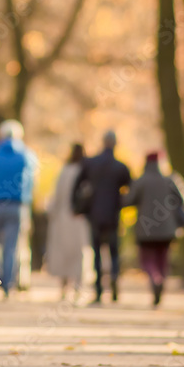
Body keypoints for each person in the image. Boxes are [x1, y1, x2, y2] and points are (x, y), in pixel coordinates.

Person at [0, 120, 38, 298]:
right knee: (12, 246)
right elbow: (32, 182)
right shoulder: (28, 156)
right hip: (18, 206)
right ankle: (8, 285)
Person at [126, 151, 184, 306]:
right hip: (167, 229)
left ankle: (154, 279)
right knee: (163, 258)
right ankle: (161, 280)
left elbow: (128, 200)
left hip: (146, 228)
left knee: (147, 259)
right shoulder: (170, 179)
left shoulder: (141, 181)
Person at [75, 129, 132, 303]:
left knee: (97, 252)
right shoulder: (121, 167)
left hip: (94, 214)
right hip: (113, 215)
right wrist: (122, 202)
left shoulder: (90, 163)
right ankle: (114, 277)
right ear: (115, 144)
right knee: (114, 251)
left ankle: (99, 290)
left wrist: (77, 207)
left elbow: (77, 185)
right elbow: (132, 189)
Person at [45, 143, 91, 301]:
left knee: (63, 252)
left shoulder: (65, 171)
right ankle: (78, 286)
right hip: (80, 219)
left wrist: (52, 213)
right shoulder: (86, 172)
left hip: (63, 218)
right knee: (79, 253)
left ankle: (64, 287)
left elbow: (57, 196)